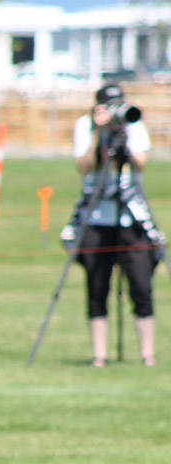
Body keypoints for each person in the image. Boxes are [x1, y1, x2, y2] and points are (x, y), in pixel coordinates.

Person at [65, 83, 162, 367]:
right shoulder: (85, 125)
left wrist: (123, 136)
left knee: (142, 285)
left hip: (130, 217)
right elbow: (84, 166)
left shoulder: (133, 123)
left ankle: (147, 354)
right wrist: (98, 133)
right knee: (97, 285)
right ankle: (99, 355)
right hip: (98, 218)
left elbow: (140, 164)